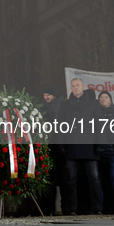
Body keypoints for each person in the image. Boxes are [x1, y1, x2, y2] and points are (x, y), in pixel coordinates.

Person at [56, 78, 104, 215]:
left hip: (90, 146)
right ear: (70, 88)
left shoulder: (93, 103)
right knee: (71, 179)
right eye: (73, 86)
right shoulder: (65, 105)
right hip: (72, 146)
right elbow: (60, 126)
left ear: (83, 86)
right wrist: (61, 144)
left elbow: (100, 125)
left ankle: (97, 207)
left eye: (78, 85)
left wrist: (100, 144)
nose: (75, 87)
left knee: (94, 178)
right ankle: (72, 209)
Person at [41, 82, 65, 215]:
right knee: (49, 179)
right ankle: (48, 208)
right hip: (48, 145)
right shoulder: (44, 107)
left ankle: (63, 207)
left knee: (61, 177)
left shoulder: (60, 106)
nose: (46, 97)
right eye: (44, 95)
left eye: (48, 94)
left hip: (58, 144)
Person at [97, 91, 114, 214]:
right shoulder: (96, 112)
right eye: (101, 97)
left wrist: (104, 139)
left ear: (110, 100)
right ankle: (104, 207)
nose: (103, 99)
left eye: (106, 97)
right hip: (100, 152)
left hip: (113, 150)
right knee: (102, 181)